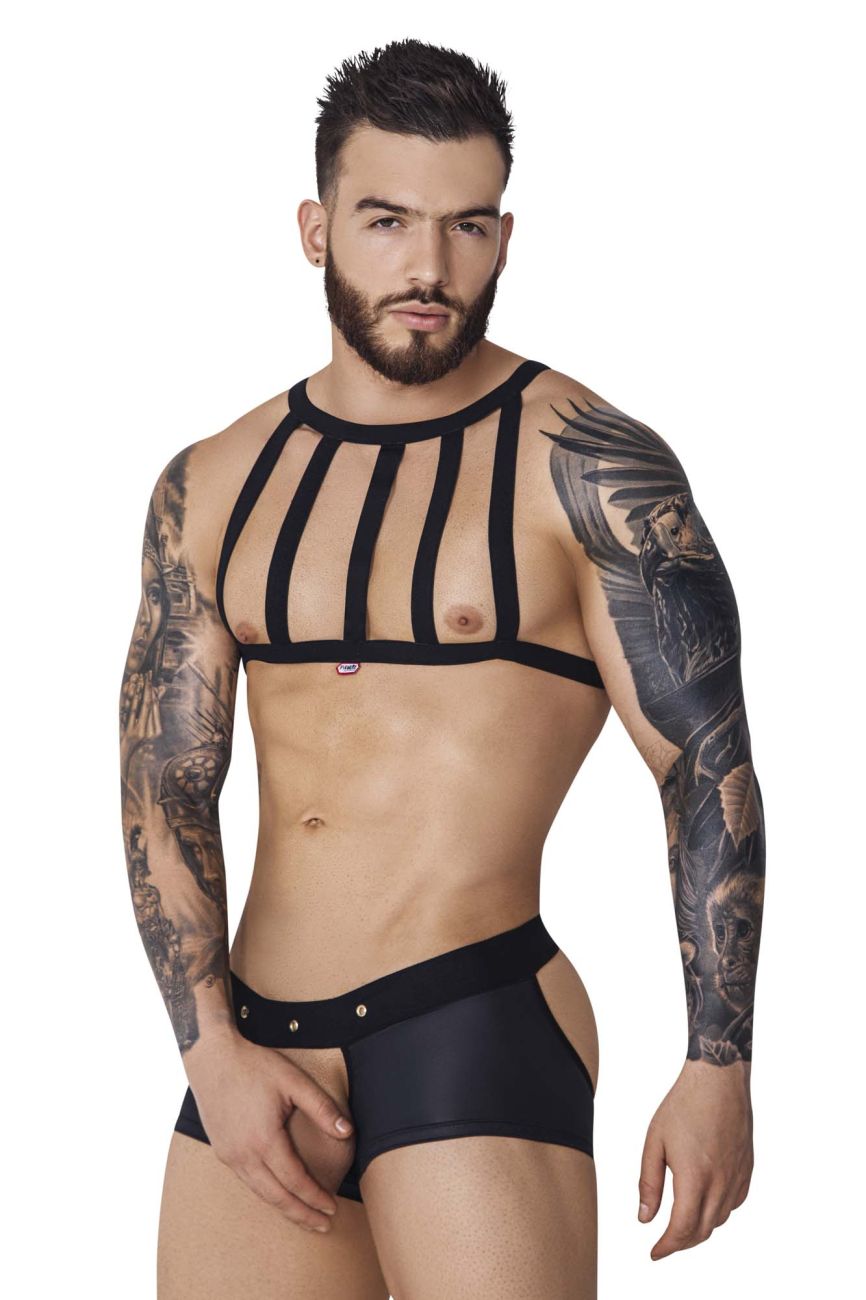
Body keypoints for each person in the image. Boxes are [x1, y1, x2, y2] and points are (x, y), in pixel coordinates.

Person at [119, 37, 765, 1300]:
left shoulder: (586, 465)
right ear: (315, 230)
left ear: (503, 236)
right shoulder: (213, 482)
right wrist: (208, 1050)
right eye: (387, 220)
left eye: (465, 225)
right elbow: (164, 782)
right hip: (256, 1049)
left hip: (469, 1019)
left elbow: (705, 768)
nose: (427, 267)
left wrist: (717, 1064)